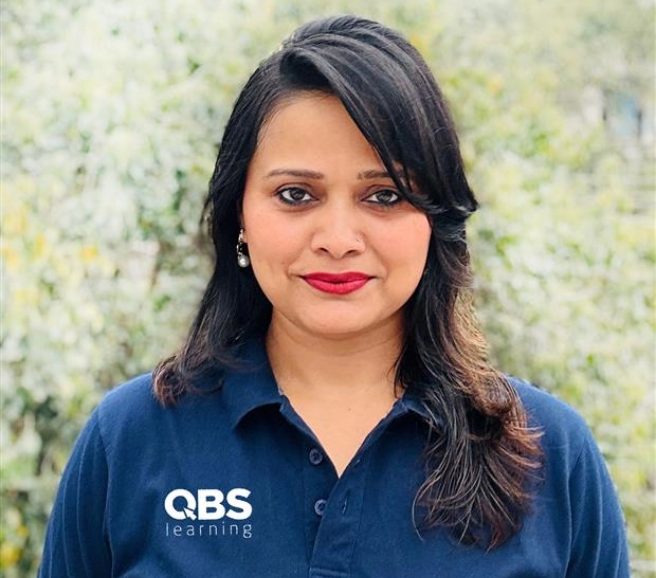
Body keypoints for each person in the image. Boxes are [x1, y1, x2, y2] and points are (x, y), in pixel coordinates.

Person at [38, 14, 630, 578]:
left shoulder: (551, 455)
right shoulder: (131, 439)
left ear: (435, 218)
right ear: (239, 215)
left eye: (385, 196)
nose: (339, 241)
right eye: (296, 195)